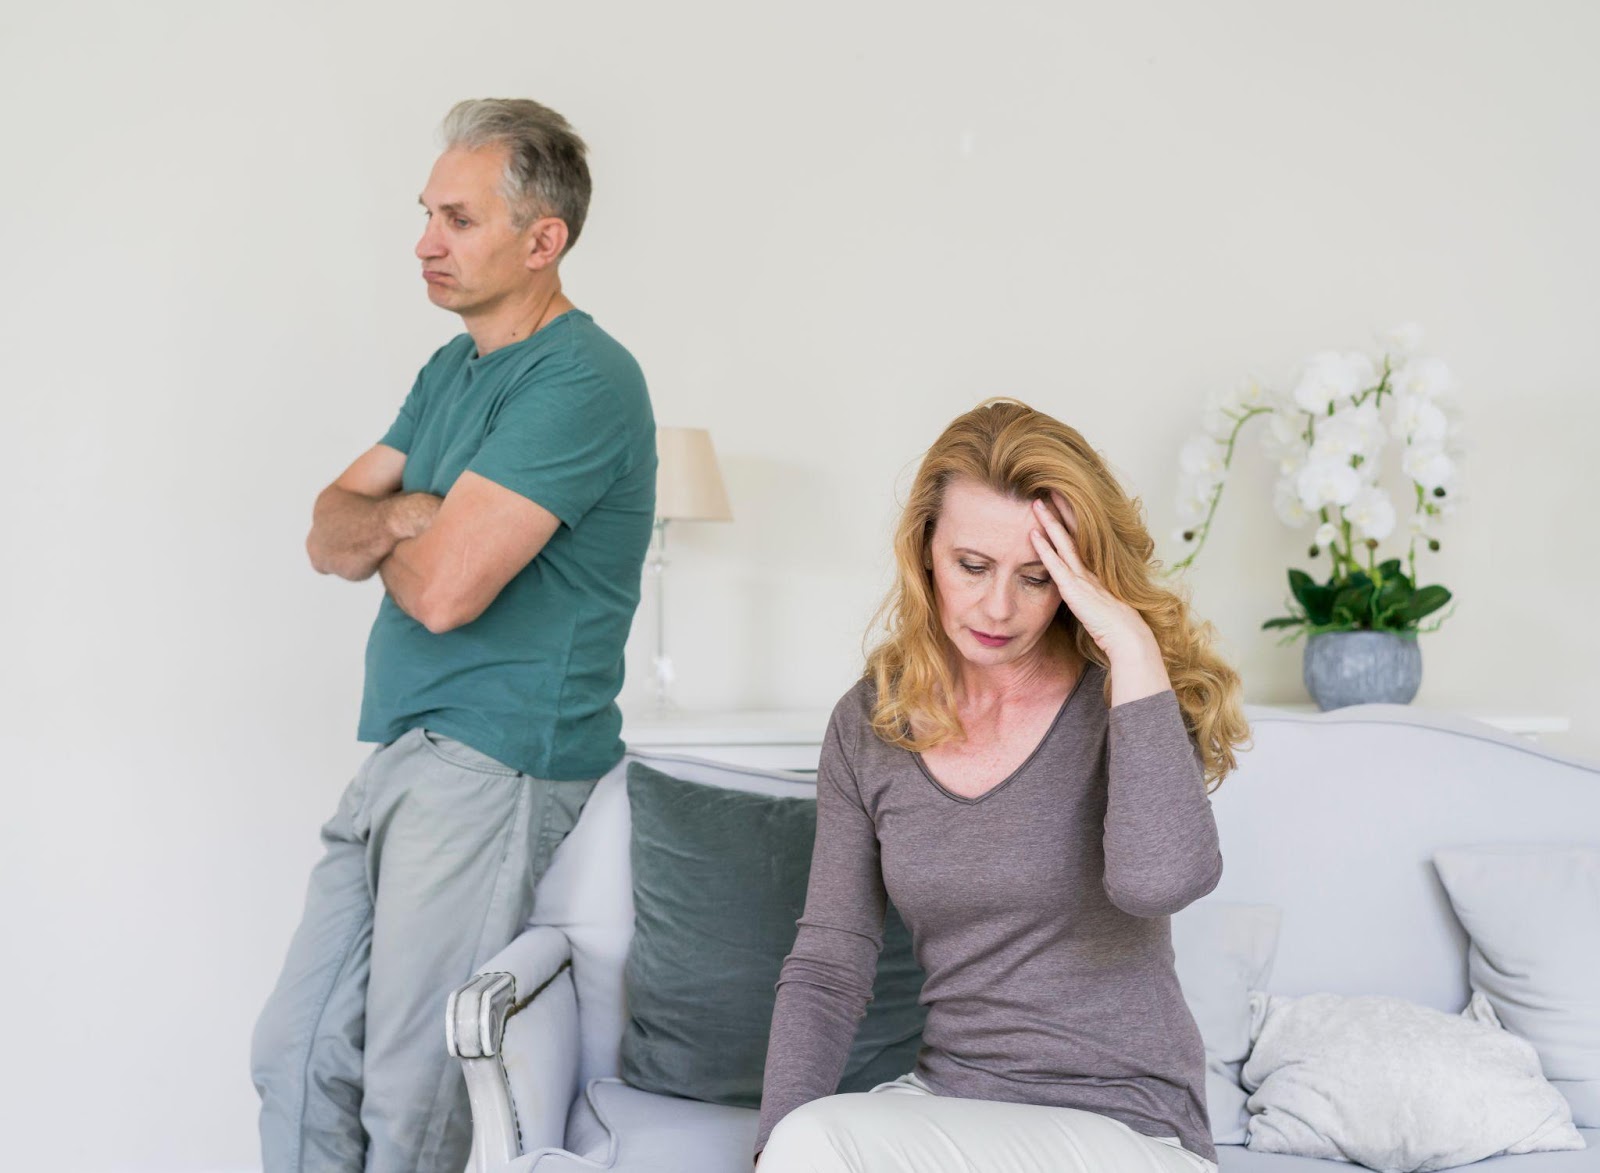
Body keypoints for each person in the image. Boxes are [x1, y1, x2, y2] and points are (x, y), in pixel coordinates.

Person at [250, 98, 656, 1173]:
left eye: (458, 219)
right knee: (292, 1056)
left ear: (543, 239)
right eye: (427, 214)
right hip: (401, 753)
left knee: (411, 1098)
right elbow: (325, 528)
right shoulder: (449, 371)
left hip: (494, 758)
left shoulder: (581, 379)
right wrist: (406, 519)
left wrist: (396, 529)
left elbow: (442, 597)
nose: (425, 242)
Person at [754, 398, 1250, 1173]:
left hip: (1131, 1128)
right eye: (973, 566)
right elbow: (829, 963)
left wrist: (1132, 645)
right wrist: (770, 1152)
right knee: (807, 1140)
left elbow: (1159, 881)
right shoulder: (870, 722)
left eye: (1036, 575)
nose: (998, 608)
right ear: (925, 552)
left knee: (823, 1143)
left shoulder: (1124, 698)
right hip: (953, 1109)